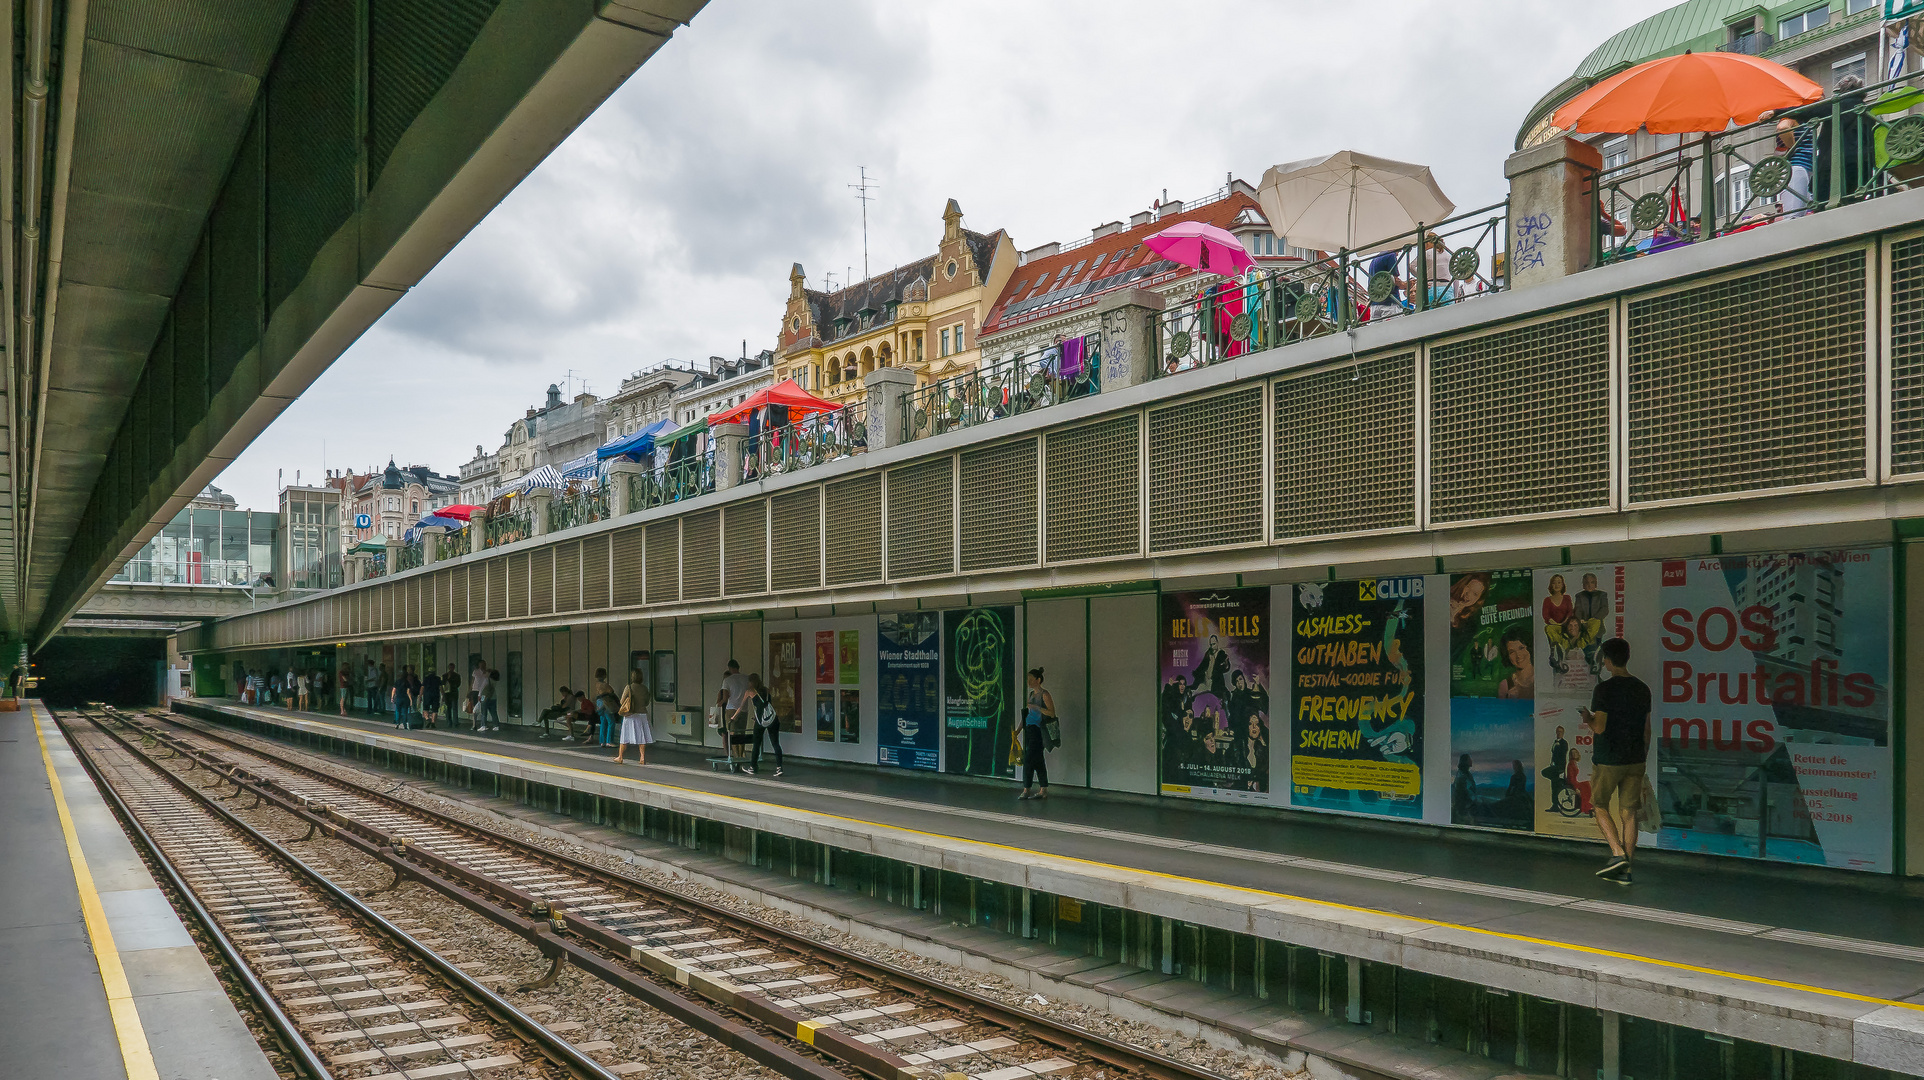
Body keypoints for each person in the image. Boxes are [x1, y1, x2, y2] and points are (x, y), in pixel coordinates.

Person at [1580, 638, 1651, 885]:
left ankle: (1618, 854)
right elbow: (1646, 730)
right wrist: (1642, 758)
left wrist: (1587, 718)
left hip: (1609, 759)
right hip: (1635, 759)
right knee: (1628, 813)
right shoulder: (1643, 689)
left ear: (1606, 660)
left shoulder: (1604, 690)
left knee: (1598, 804)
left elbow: (1599, 727)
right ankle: (1627, 871)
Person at [1017, 667, 1054, 800]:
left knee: (1028, 760)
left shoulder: (1045, 694)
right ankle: (1043, 789)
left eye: (1031, 679)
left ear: (1038, 680)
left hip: (1039, 730)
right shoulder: (1031, 695)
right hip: (1030, 729)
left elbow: (1051, 713)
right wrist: (1018, 730)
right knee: (1038, 761)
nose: (1029, 682)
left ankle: (1026, 788)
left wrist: (1038, 708)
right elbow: (1027, 715)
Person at [738, 674, 782, 776]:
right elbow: (768, 704)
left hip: (760, 721)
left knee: (756, 743)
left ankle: (753, 767)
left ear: (751, 682)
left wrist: (733, 717)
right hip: (772, 719)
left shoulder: (750, 692)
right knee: (776, 743)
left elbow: (742, 706)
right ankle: (779, 767)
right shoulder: (766, 690)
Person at [615, 668, 654, 765]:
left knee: (624, 736)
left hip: (630, 714)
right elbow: (646, 702)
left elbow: (621, 701)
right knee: (642, 736)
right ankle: (642, 757)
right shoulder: (645, 688)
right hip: (642, 714)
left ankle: (620, 757)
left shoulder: (629, 687)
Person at [1541, 574, 1574, 673]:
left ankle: (1560, 656)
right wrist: (1554, 623)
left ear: (1563, 585)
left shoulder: (1567, 598)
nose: (1556, 585)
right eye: (1554, 582)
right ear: (1551, 585)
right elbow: (1546, 616)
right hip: (1554, 626)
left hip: (1565, 626)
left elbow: (1570, 612)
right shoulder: (1547, 600)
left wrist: (1564, 622)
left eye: (1559, 582)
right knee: (1548, 628)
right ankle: (1559, 649)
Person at [716, 659, 750, 731]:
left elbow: (725, 698)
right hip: (744, 709)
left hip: (731, 709)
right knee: (741, 734)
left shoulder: (727, 680)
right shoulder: (746, 678)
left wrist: (718, 704)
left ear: (730, 668)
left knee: (732, 734)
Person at [1541, 725, 1569, 810]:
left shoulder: (1563, 743)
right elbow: (1554, 754)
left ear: (1563, 733)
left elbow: (1562, 754)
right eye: (1557, 731)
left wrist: (1560, 767)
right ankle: (1555, 805)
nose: (1559, 733)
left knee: (1544, 772)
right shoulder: (1555, 742)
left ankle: (1558, 781)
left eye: (1560, 732)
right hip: (1555, 766)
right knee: (1554, 786)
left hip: (1559, 766)